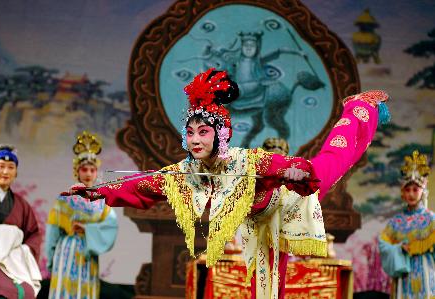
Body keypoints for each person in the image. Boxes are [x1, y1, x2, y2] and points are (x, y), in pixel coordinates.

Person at [70, 68, 389, 298]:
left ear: (221, 134)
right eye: (190, 132)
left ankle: (360, 106)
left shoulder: (251, 162)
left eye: (203, 132)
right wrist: (98, 190)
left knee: (328, 165)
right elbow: (146, 184)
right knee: (264, 287)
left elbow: (295, 168)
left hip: (286, 201)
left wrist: (296, 173)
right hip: (258, 221)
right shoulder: (190, 171)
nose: (195, 139)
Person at [45, 132, 118, 299]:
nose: (88, 173)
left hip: (88, 254)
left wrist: (87, 229)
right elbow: (52, 232)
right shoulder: (64, 200)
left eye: (92, 170)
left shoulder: (101, 202)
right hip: (66, 253)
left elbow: (111, 226)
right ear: (77, 171)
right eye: (84, 169)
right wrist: (51, 261)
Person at [0, 144, 42, 299]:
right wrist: (5, 235)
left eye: (11, 167)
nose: (5, 171)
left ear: (16, 173)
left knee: (27, 292)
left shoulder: (23, 206)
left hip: (12, 264)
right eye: (1, 166)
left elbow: (34, 235)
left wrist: (20, 251)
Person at [379, 150, 434, 298]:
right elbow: (383, 244)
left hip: (428, 275)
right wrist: (398, 248)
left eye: (415, 189)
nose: (411, 194)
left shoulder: (431, 220)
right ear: (402, 193)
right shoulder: (396, 222)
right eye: (407, 189)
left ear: (423, 191)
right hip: (403, 277)